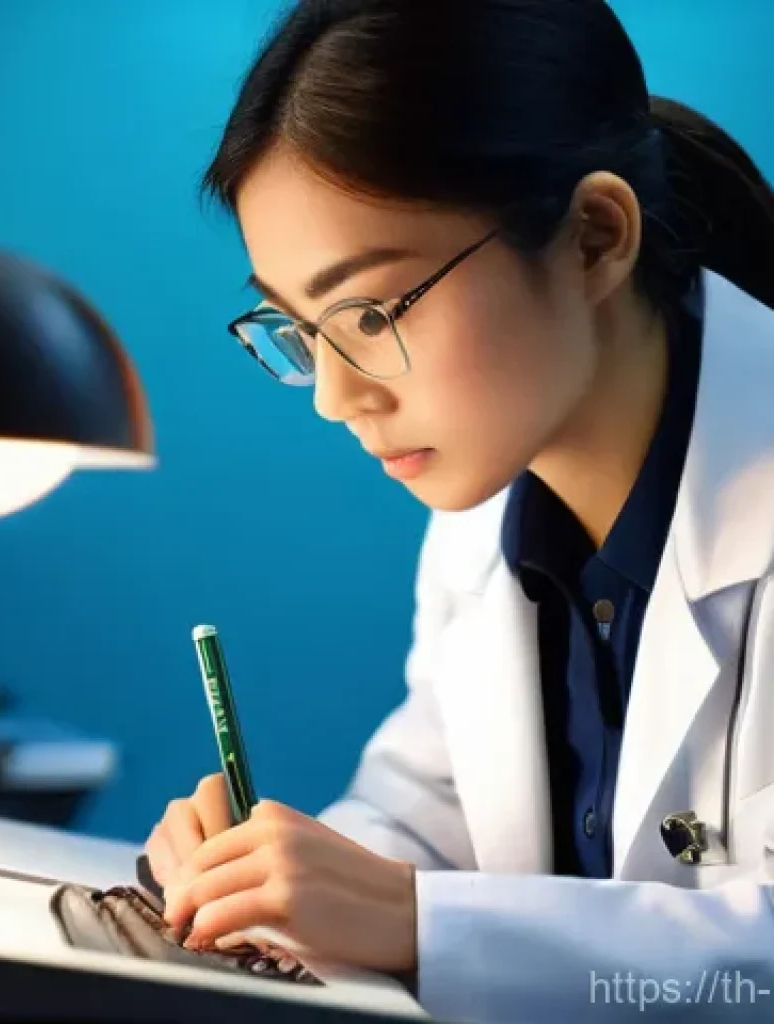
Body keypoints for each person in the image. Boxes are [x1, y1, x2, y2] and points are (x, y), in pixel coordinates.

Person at [145, 1, 774, 1019]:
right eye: (299, 327)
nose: (336, 395)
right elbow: (425, 816)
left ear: (593, 237)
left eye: (370, 311)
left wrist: (416, 920)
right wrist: (273, 875)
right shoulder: (480, 523)